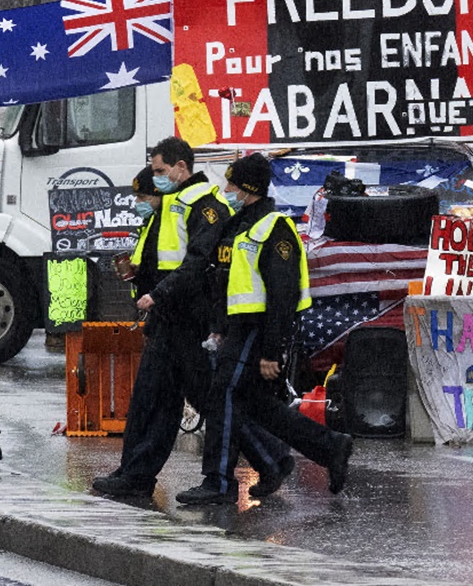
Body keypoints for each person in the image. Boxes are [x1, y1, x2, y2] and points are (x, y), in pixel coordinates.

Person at [93, 149, 291, 500]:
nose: (156, 176)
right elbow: (166, 257)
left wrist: (161, 294)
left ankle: (271, 457)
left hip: (188, 319)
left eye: (160, 169)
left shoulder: (204, 204)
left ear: (181, 167)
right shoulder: (171, 202)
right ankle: (136, 475)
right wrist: (144, 278)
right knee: (153, 398)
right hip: (169, 318)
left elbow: (198, 261)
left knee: (209, 400)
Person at [177, 153, 353, 505]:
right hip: (238, 328)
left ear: (249, 189)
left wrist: (273, 351)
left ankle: (219, 482)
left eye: (233, 184)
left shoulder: (275, 228)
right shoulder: (237, 225)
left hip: (258, 328)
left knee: (223, 395)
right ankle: (326, 448)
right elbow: (224, 282)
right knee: (252, 403)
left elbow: (282, 295)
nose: (227, 190)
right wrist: (219, 328)